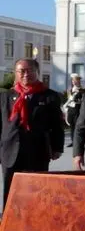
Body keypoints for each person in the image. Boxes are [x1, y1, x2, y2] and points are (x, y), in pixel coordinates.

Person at [0, 58, 64, 207]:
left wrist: (57, 148)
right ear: (16, 73)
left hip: (38, 150)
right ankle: (10, 221)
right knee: (11, 188)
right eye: (21, 71)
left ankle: (36, 219)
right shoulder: (5, 97)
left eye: (30, 70)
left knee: (37, 187)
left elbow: (56, 124)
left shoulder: (49, 96)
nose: (26, 74)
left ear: (37, 72)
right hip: (10, 150)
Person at [64, 73, 85, 147]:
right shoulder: (70, 90)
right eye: (73, 80)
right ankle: (73, 141)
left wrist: (76, 98)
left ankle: (78, 141)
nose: (74, 82)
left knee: (77, 126)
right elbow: (68, 99)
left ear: (79, 81)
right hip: (70, 110)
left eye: (75, 80)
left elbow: (82, 100)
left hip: (77, 109)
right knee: (72, 126)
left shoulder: (82, 90)